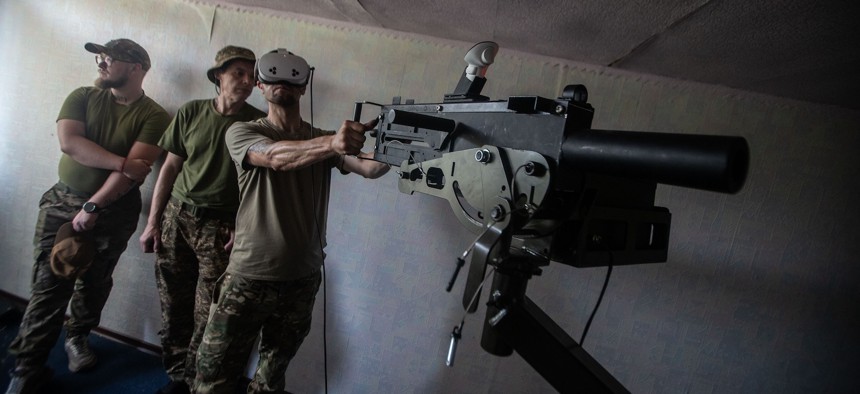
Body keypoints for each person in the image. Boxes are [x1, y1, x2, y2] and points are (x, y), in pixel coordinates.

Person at [192, 48, 389, 393]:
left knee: (272, 376)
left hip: (302, 278)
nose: (281, 82)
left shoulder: (326, 141)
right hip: (249, 277)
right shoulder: (242, 132)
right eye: (272, 76)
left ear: (303, 87)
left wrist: (401, 144)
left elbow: (370, 168)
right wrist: (333, 142)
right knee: (214, 376)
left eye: (291, 77)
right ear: (259, 85)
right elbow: (275, 157)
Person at [5, 38, 170, 394]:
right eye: (100, 57)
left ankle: (77, 337)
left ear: (136, 67)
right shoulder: (82, 96)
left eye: (110, 58)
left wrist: (94, 205)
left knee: (94, 283)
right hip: (62, 202)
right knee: (48, 285)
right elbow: (70, 143)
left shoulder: (154, 116)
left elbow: (132, 177)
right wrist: (121, 161)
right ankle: (27, 366)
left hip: (113, 210)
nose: (101, 63)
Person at [138, 45, 266, 394]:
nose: (245, 80)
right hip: (176, 218)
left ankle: (198, 382)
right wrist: (153, 221)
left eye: (250, 74)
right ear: (218, 77)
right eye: (237, 72)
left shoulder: (257, 124)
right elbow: (170, 167)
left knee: (208, 314)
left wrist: (244, 226)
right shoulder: (192, 112)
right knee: (173, 305)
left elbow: (259, 185)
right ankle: (177, 376)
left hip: (220, 228)